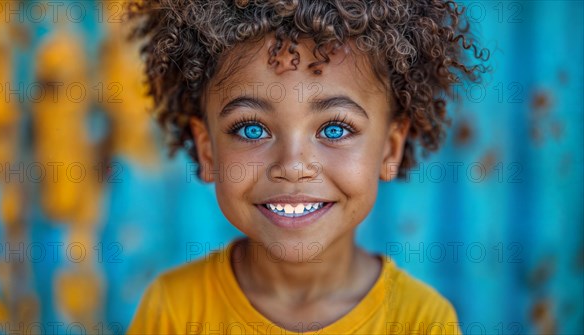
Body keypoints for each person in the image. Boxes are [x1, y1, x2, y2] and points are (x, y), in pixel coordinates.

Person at [125, 1, 488, 334]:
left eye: (334, 129)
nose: (293, 166)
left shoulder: (420, 321)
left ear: (389, 150)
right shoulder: (172, 310)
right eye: (252, 129)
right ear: (208, 151)